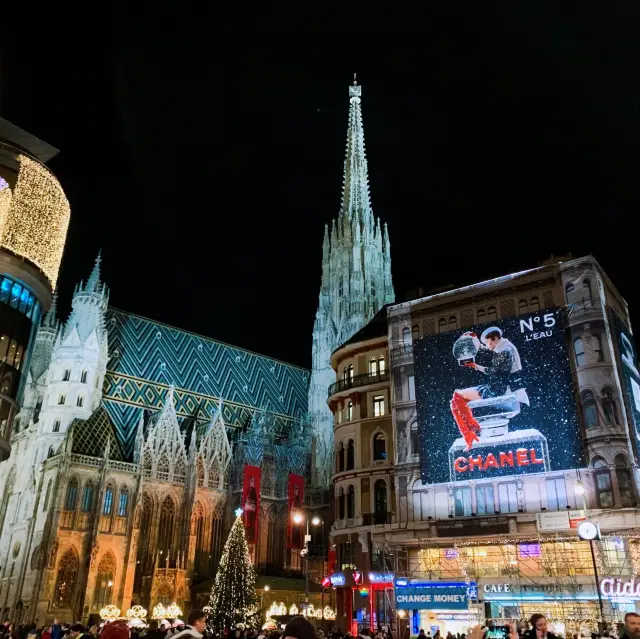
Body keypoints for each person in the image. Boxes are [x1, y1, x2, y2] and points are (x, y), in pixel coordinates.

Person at [450, 326, 529, 450]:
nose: (486, 345)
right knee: (455, 401)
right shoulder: (505, 347)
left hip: (499, 391)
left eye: (487, 342)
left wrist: (476, 366)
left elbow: (493, 371)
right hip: (497, 387)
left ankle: (472, 430)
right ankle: (469, 434)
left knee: (457, 396)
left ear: (494, 339)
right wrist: (475, 342)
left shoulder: (506, 351)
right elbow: (489, 350)